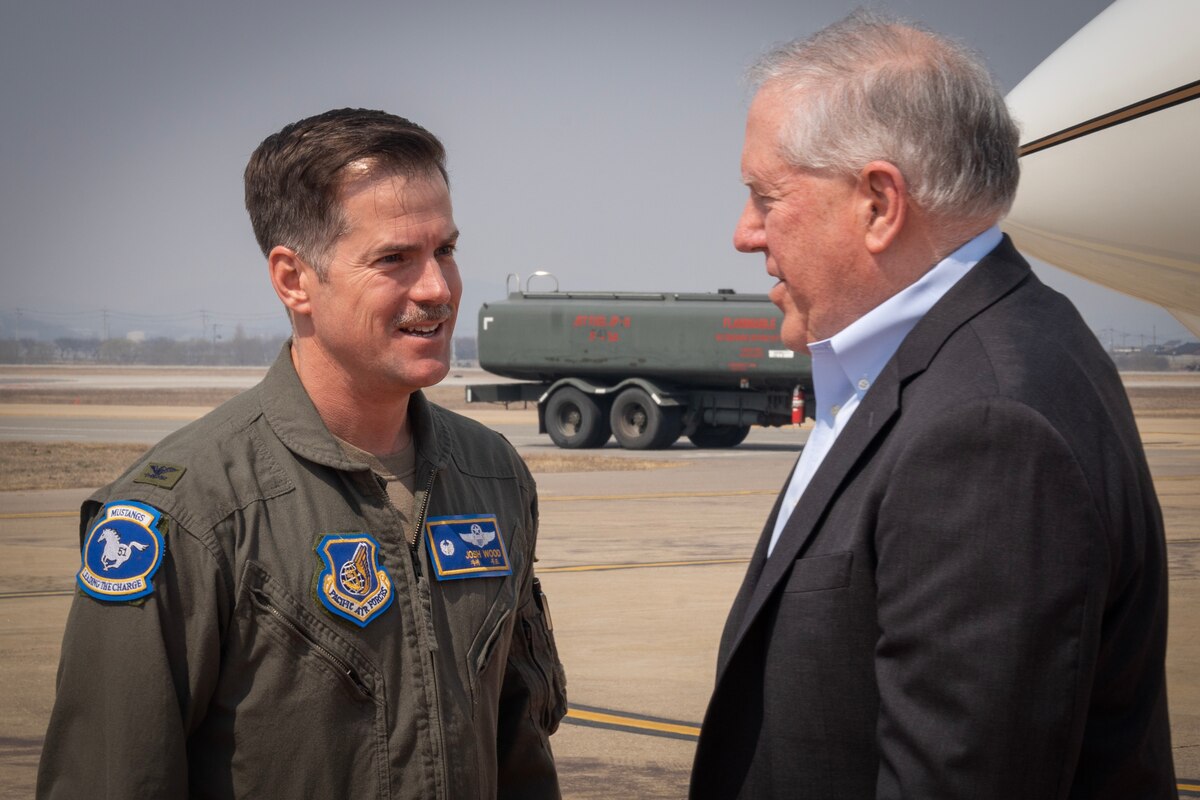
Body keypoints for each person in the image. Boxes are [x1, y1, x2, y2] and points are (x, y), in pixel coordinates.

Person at [690, 11, 1175, 799]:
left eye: (765, 197)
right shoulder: (970, 355)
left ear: (880, 203)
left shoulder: (987, 427)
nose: (745, 233)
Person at [37, 108, 567, 799]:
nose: (438, 288)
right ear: (293, 280)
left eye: (446, 250)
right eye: (395, 259)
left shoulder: (492, 477)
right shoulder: (185, 515)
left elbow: (518, 746)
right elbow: (110, 779)